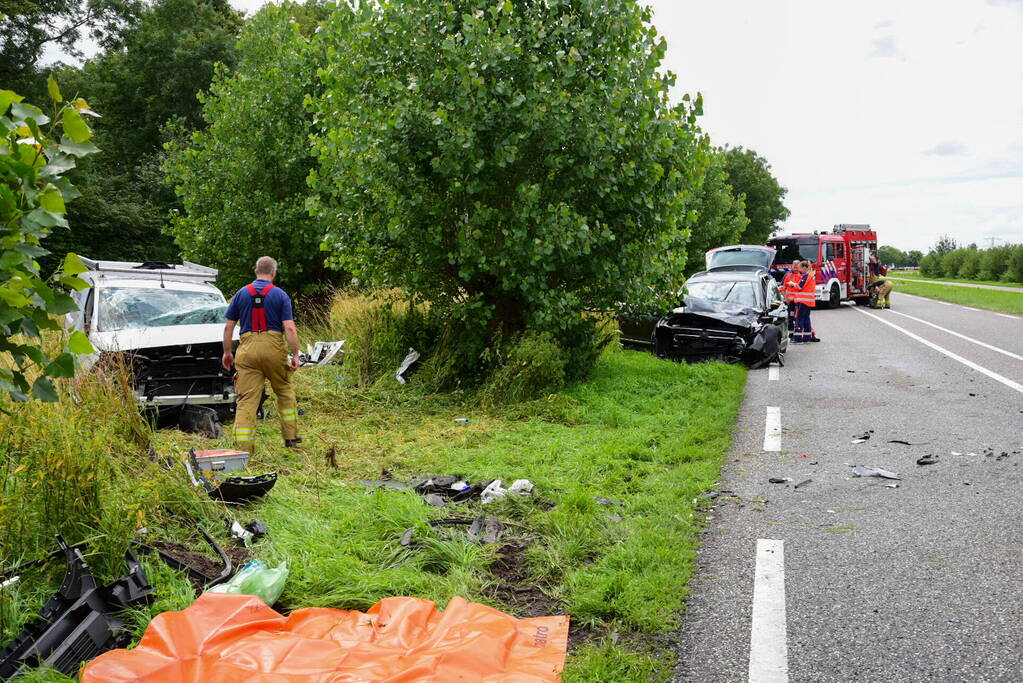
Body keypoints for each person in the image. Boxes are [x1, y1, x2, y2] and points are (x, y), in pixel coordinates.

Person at [222, 256, 301, 453]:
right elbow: (289, 328)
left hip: (247, 350)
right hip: (273, 348)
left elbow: (228, 327)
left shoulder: (241, 294)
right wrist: (296, 354)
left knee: (247, 400)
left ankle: (243, 448)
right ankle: (290, 438)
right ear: (273, 272)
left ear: (255, 271)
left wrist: (227, 352)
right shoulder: (280, 295)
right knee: (284, 391)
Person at [795, 260, 820, 343]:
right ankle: (807, 338)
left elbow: (799, 287)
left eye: (800, 268)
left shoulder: (806, 276)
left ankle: (798, 339)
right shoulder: (812, 276)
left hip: (803, 301)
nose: (799, 270)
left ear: (804, 268)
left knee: (800, 319)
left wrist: (792, 284)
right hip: (808, 301)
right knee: (806, 319)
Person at [780, 261, 802, 339]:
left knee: (799, 318)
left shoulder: (802, 276)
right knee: (791, 318)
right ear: (792, 266)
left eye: (797, 266)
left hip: (800, 302)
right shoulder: (788, 275)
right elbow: (782, 288)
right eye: (794, 266)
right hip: (791, 302)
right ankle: (791, 334)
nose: (796, 268)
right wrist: (786, 298)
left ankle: (798, 334)